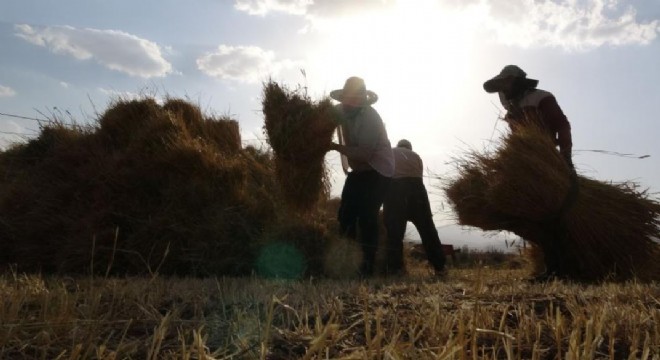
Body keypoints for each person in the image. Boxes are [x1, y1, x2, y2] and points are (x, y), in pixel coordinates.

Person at [483, 65, 577, 280]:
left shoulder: (541, 98)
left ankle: (559, 269)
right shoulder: (512, 107)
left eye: (505, 83)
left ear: (516, 81)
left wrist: (566, 156)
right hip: (523, 164)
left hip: (546, 163)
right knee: (531, 215)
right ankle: (551, 267)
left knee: (551, 214)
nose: (503, 90)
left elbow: (562, 126)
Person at [329, 76, 394, 276]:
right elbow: (324, 118)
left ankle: (366, 267)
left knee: (367, 216)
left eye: (353, 98)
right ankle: (347, 263)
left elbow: (365, 153)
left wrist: (332, 146)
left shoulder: (371, 118)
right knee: (346, 213)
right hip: (358, 171)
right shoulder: (341, 111)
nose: (348, 102)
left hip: (378, 171)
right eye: (345, 98)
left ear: (361, 100)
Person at [383, 139, 446, 275]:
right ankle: (440, 267)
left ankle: (396, 269)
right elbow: (419, 178)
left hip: (396, 189)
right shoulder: (417, 157)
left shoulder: (391, 152)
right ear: (409, 148)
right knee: (427, 230)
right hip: (418, 190)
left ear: (398, 145)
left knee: (395, 232)